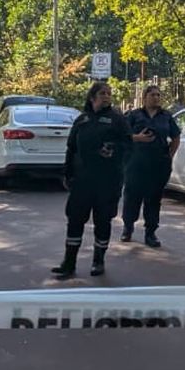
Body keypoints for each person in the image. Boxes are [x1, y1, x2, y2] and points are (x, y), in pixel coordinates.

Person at [52, 82, 132, 279]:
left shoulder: (117, 120)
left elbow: (128, 145)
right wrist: (67, 173)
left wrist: (113, 149)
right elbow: (71, 149)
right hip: (82, 181)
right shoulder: (82, 120)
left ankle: (98, 261)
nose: (106, 96)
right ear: (92, 97)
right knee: (75, 220)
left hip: (107, 181)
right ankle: (68, 263)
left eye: (109, 93)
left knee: (103, 221)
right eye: (102, 93)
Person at [121, 86, 181, 248]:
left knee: (154, 199)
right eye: (152, 95)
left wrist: (170, 155)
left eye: (158, 95)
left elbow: (175, 137)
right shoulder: (134, 115)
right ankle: (128, 227)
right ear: (145, 97)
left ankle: (150, 233)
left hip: (158, 164)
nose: (156, 97)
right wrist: (138, 138)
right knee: (132, 196)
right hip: (136, 163)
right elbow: (122, 136)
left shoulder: (166, 116)